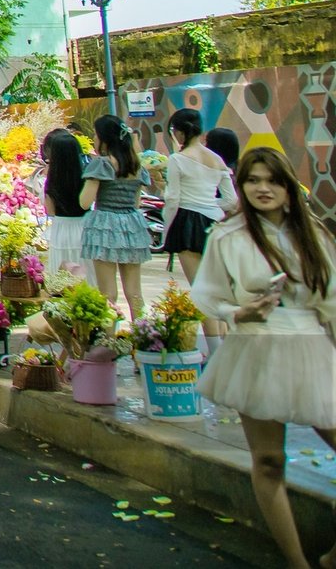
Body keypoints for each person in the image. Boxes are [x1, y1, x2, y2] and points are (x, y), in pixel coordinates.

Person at [191, 147, 336, 569]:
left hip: (313, 348)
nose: (262, 188)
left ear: (289, 187)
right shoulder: (228, 235)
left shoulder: (315, 235)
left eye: (272, 180)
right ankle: (297, 562)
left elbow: (331, 301)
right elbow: (208, 294)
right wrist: (239, 313)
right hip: (257, 347)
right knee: (269, 460)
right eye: (253, 180)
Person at [160, 108, 232, 351]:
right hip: (215, 222)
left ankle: (214, 352)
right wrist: (211, 206)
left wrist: (167, 231)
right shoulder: (217, 159)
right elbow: (231, 200)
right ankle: (224, 348)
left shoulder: (177, 159)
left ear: (179, 132)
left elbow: (172, 199)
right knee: (216, 290)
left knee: (201, 292)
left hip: (188, 222)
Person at [80, 115, 152, 323]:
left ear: (105, 138)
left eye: (95, 134)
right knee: (135, 293)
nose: (94, 138)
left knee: (108, 293)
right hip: (132, 226)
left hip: (105, 226)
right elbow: (136, 203)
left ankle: (108, 343)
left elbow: (85, 202)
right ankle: (142, 338)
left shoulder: (101, 165)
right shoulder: (137, 166)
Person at [40, 129, 89, 278]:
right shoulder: (87, 177)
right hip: (84, 228)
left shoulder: (52, 180)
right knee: (86, 277)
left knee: (61, 280)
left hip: (61, 230)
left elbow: (50, 211)